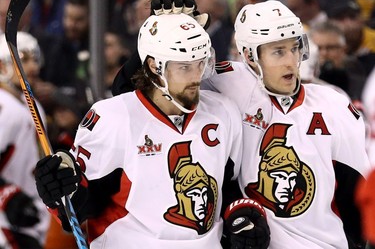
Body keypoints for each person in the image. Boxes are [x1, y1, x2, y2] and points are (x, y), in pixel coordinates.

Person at [112, 0, 371, 249]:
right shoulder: (226, 83)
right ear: (249, 54)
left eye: (294, 48)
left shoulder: (334, 105)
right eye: (278, 51)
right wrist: (167, 36)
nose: (290, 60)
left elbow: (356, 197)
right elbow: (133, 95)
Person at [34, 13, 270, 249]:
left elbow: (228, 187)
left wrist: (241, 214)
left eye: (200, 63)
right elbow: (82, 208)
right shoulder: (113, 118)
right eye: (184, 67)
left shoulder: (223, 112)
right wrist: (61, 190)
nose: (196, 77)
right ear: (153, 66)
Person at [0, 31, 50, 248]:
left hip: (32, 215)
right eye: (24, 59)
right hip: (6, 224)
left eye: (35, 59)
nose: (34, 67)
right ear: (2, 66)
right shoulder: (3, 107)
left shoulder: (32, 104)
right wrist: (9, 198)